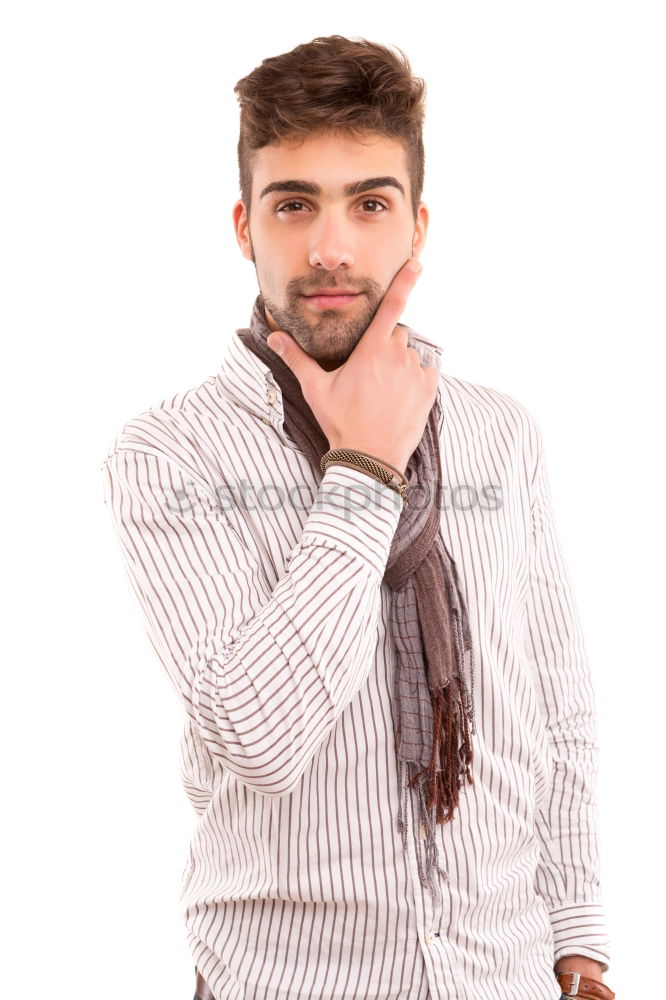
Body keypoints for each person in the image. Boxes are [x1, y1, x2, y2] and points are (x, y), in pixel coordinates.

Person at [101, 35, 615, 1000]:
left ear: (416, 226)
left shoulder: (500, 435)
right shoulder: (170, 454)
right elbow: (258, 734)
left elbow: (555, 706)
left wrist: (577, 937)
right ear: (245, 227)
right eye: (293, 203)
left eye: (369, 204)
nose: (331, 247)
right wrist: (366, 467)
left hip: (499, 978)